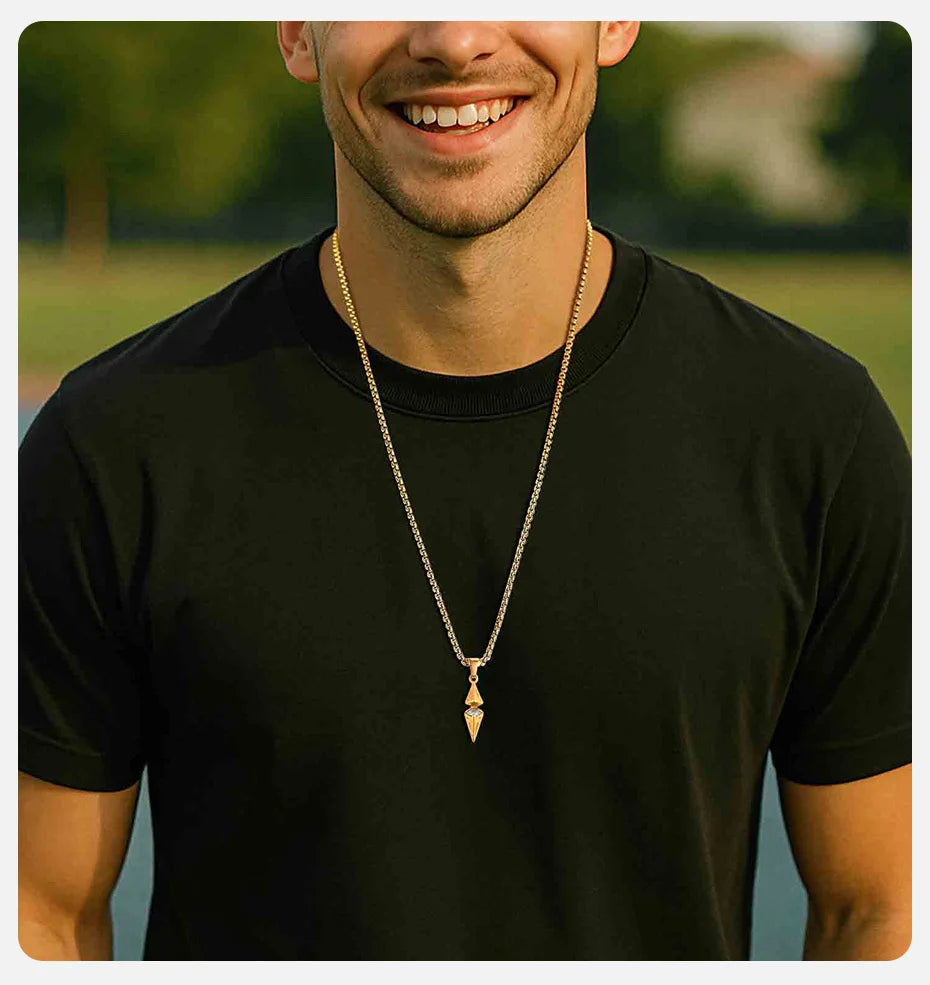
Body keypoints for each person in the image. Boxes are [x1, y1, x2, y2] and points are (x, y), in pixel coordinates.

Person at [18, 21, 911, 961]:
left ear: (613, 20)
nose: (455, 37)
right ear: (295, 30)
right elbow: (41, 917)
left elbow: (879, 915)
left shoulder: (814, 432)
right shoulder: (115, 442)